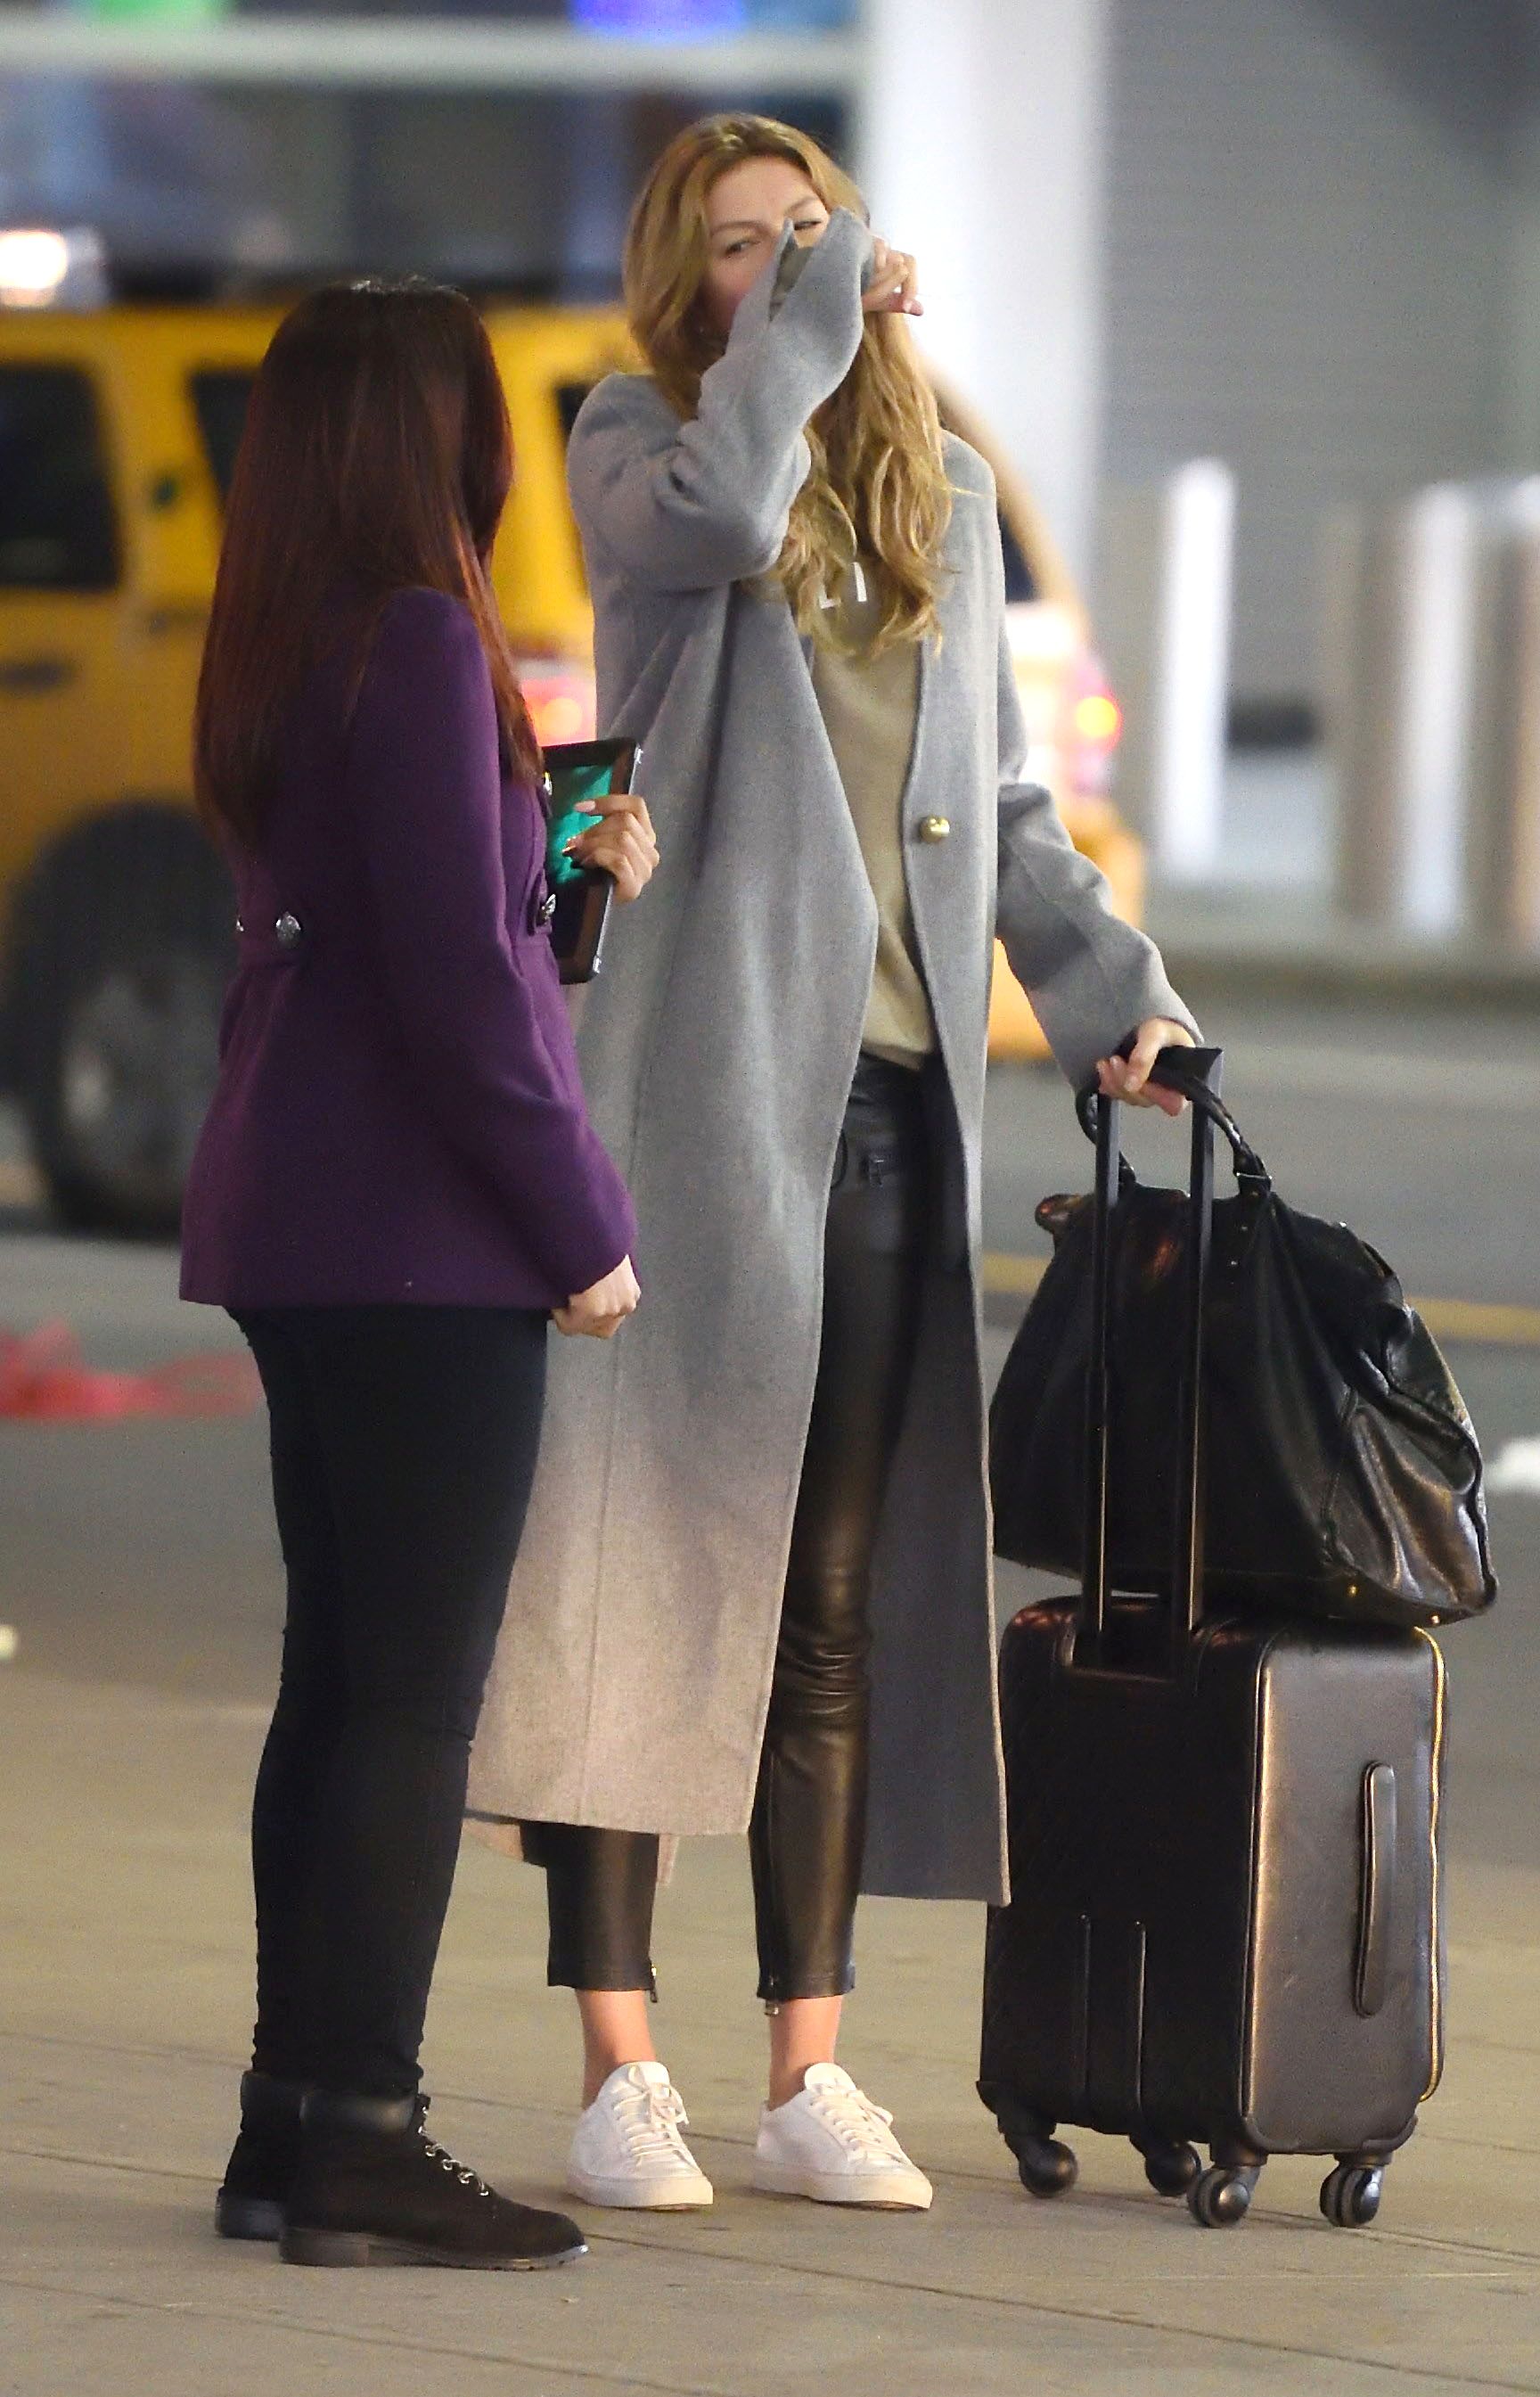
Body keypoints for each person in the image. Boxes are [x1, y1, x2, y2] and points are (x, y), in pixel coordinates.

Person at [466, 114, 1197, 2214]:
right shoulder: (645, 443)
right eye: (739, 246)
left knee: (832, 1604)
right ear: (681, 278)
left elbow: (1010, 807)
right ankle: (622, 2071)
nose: (783, 267)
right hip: (686, 1099)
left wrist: (1114, 989)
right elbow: (713, 519)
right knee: (635, 1571)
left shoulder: (943, 499)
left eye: (809, 235)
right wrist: (802, 318)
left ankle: (810, 2069)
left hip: (891, 1110)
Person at [181, 278, 657, 2270]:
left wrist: (561, 884)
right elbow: (461, 1000)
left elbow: (432, 937)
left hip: (310, 1222)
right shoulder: (418, 636)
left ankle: (295, 2121)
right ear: (431, 435)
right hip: (417, 1246)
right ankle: (366, 2129)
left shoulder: (292, 638)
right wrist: (586, 1230)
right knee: (408, 1707)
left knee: (340, 1686)